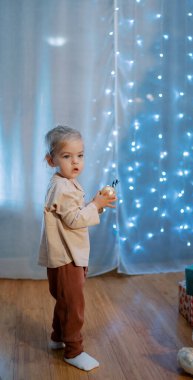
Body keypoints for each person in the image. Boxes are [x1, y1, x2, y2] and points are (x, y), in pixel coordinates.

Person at [38, 125, 117, 371]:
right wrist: (95, 204)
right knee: (74, 304)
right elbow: (74, 220)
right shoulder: (62, 187)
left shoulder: (67, 182)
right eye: (67, 156)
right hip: (66, 257)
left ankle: (57, 336)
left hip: (68, 254)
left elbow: (75, 213)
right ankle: (73, 350)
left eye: (80, 155)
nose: (75, 162)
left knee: (65, 299)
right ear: (51, 160)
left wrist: (97, 205)